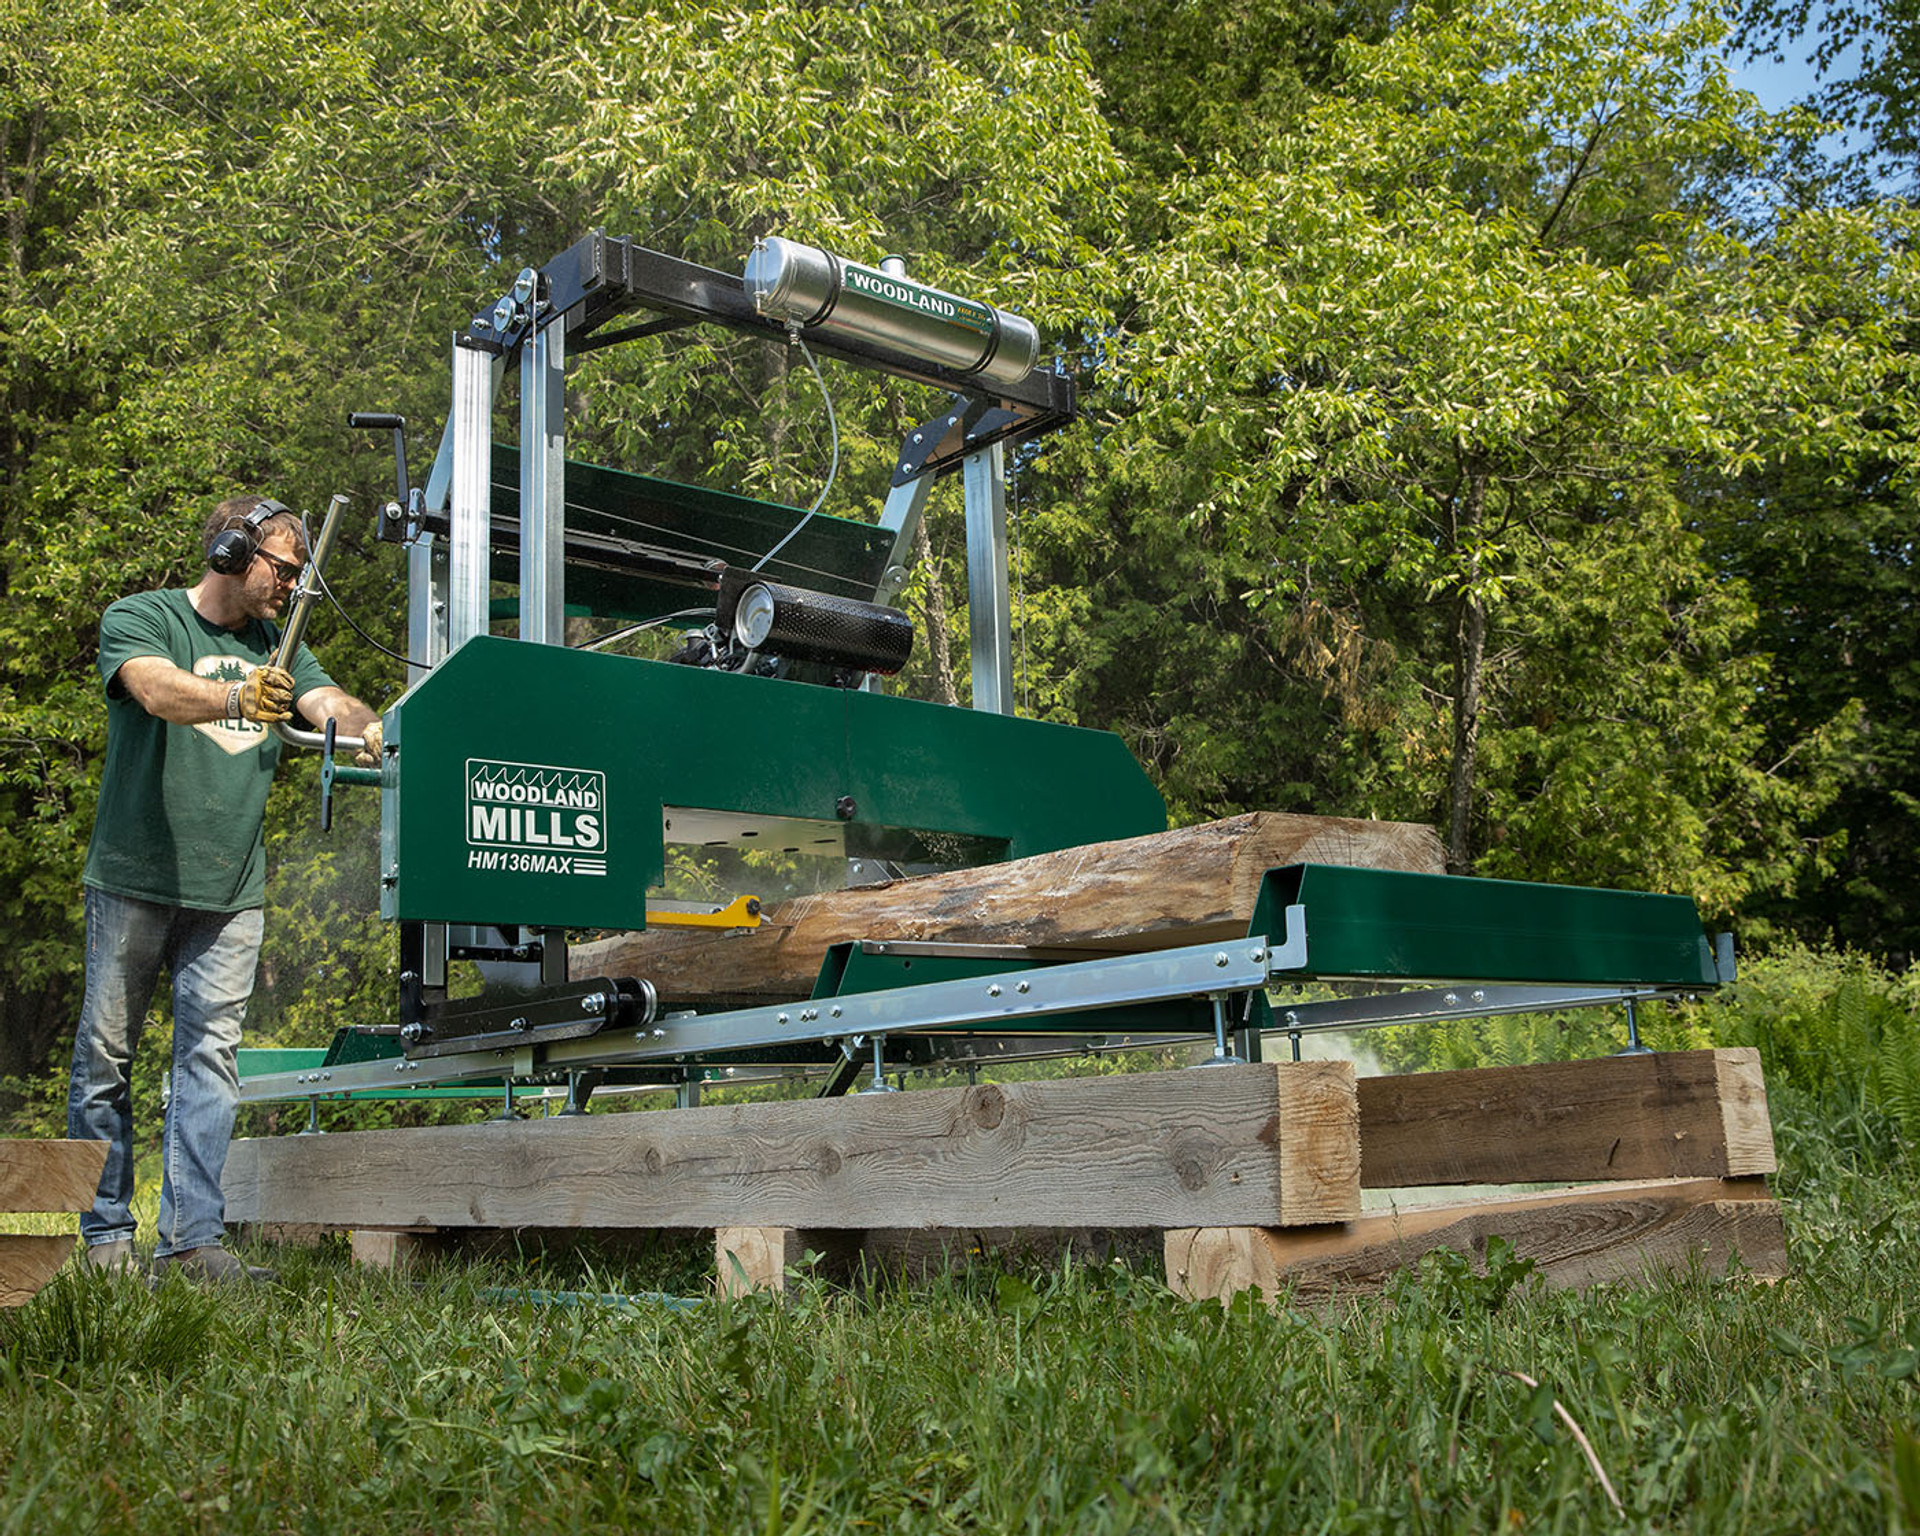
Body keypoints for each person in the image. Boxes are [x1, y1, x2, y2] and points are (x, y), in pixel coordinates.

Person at [67, 493, 382, 1283]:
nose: (294, 584)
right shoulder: (142, 617)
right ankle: (106, 1238)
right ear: (231, 553)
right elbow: (156, 690)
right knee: (106, 1058)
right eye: (284, 567)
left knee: (209, 1062)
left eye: (302, 571)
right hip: (135, 877)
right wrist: (236, 696)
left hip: (231, 890)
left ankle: (192, 1243)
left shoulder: (284, 644)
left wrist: (366, 723)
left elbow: (324, 700)